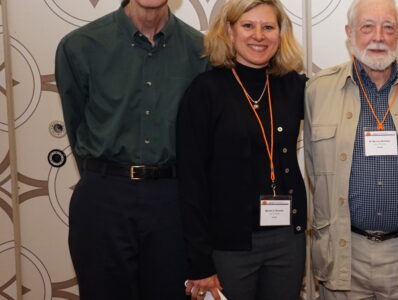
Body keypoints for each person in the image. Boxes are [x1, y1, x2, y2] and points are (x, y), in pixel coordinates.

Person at [55, 0, 208, 298]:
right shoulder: (80, 46)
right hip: (104, 197)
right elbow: (76, 124)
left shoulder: (200, 51)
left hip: (172, 201)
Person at [303, 0, 398, 298]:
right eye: (367, 26)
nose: (378, 36)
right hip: (342, 255)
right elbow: (314, 169)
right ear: (349, 32)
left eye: (388, 27)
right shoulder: (318, 90)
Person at [177, 1, 307, 299]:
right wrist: (199, 262)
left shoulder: (293, 86)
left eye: (268, 27)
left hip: (287, 240)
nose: (258, 35)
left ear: (280, 33)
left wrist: (397, 65)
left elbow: (344, 93)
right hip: (228, 245)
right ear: (229, 31)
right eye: (248, 25)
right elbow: (191, 181)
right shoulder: (205, 91)